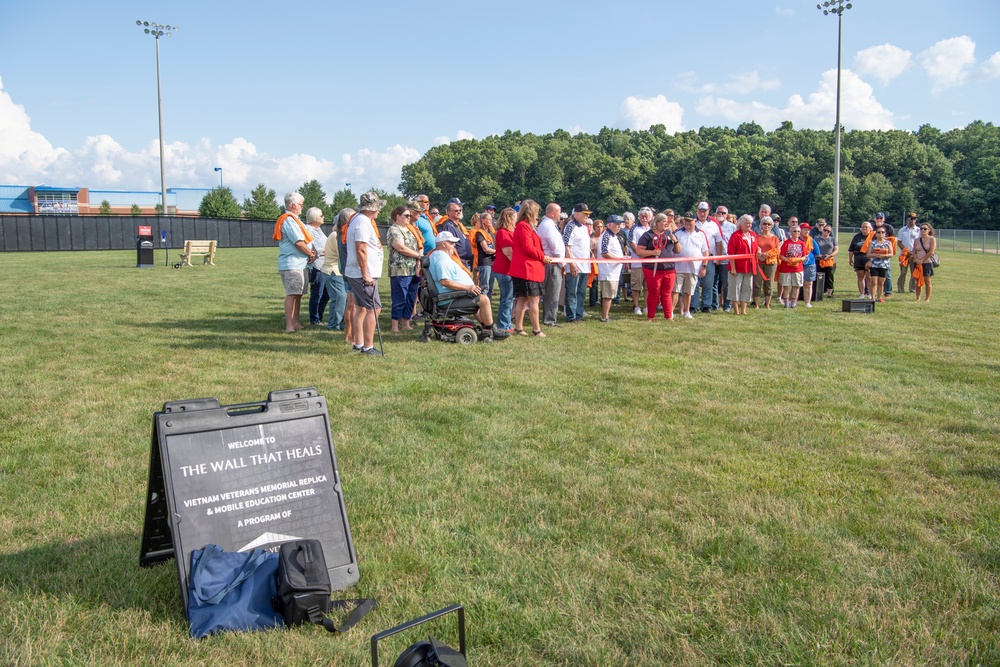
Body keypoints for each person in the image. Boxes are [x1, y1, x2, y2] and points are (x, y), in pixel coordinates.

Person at [427, 231, 506, 339]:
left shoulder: (436, 255)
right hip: (449, 299)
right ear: (444, 244)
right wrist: (468, 288)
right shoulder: (441, 259)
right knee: (484, 300)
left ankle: (486, 326)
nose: (454, 245)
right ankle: (490, 330)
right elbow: (445, 281)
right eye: (451, 243)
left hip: (451, 296)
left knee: (478, 298)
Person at [345, 192, 386, 355]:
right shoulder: (362, 222)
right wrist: (366, 275)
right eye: (377, 208)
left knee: (361, 307)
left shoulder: (359, 220)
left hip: (358, 272)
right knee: (374, 308)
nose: (379, 211)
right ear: (371, 208)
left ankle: (359, 343)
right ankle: (368, 346)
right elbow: (361, 249)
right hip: (362, 274)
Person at [272, 192, 317, 332]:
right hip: (292, 264)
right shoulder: (289, 221)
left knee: (298, 294)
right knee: (292, 294)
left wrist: (311, 252)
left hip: (300, 263)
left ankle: (296, 322)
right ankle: (289, 325)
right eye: (300, 205)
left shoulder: (295, 220)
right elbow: (298, 242)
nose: (302, 208)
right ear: (292, 205)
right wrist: (310, 253)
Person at [509, 200, 550, 336]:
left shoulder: (525, 226)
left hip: (525, 269)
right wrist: (542, 256)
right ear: (531, 212)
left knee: (523, 298)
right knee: (533, 299)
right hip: (527, 269)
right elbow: (528, 247)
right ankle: (536, 330)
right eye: (536, 212)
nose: (538, 215)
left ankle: (519, 328)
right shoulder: (524, 226)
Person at [635, 212, 681, 321]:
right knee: (654, 293)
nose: (666, 224)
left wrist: (676, 241)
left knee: (667, 293)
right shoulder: (647, 235)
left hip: (669, 269)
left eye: (667, 222)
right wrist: (652, 252)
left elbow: (678, 251)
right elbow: (639, 251)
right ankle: (650, 317)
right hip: (652, 269)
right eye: (664, 221)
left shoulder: (670, 234)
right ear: (657, 222)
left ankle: (669, 317)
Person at [386, 206, 421, 332]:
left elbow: (418, 244)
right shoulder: (394, 230)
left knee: (410, 297)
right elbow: (400, 247)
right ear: (397, 216)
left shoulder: (409, 229)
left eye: (409, 216)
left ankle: (406, 323)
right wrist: (418, 255)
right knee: (399, 298)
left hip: (413, 270)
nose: (409, 218)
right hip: (400, 270)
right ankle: (395, 326)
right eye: (406, 215)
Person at [320, 208, 352, 332]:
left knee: (342, 298)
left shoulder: (339, 234)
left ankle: (340, 323)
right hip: (333, 271)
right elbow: (343, 254)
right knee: (339, 298)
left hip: (337, 271)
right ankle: (334, 324)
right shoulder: (336, 235)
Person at [673, 213, 710, 319]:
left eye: (689, 221)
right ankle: (670, 311)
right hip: (678, 267)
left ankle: (686, 311)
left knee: (688, 292)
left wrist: (704, 266)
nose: (687, 223)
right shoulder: (677, 233)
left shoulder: (701, 234)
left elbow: (705, 252)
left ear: (695, 221)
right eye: (685, 221)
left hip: (694, 268)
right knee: (675, 290)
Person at [561, 204, 592, 323]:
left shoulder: (585, 228)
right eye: (585, 214)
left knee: (581, 292)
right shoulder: (570, 226)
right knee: (572, 292)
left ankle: (579, 314)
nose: (587, 216)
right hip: (574, 265)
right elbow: (567, 246)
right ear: (577, 214)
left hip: (585, 266)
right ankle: (571, 316)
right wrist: (572, 264)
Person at [536, 203, 565, 327]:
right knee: (552, 292)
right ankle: (550, 319)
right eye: (559, 212)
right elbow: (556, 248)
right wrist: (562, 262)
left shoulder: (547, 225)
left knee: (552, 292)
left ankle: (550, 317)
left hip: (552, 262)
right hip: (552, 263)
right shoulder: (548, 226)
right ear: (552, 213)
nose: (560, 215)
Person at [693, 202, 724, 313]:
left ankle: (706, 305)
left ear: (708, 211)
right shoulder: (693, 222)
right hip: (696, 258)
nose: (702, 213)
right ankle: (693, 305)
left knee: (708, 283)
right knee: (695, 283)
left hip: (710, 257)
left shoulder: (714, 224)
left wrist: (719, 257)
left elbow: (719, 242)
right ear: (697, 211)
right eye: (700, 210)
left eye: (704, 211)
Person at [727, 214, 759, 315]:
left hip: (749, 267)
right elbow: (731, 253)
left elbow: (756, 247)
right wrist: (733, 268)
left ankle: (743, 310)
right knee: (735, 288)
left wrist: (759, 251)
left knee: (747, 288)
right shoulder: (735, 235)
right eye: (747, 223)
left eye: (750, 223)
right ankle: (736, 310)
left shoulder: (753, 235)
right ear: (741, 224)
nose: (749, 225)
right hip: (737, 267)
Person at [492, 207, 517, 332]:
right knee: (506, 298)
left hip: (509, 269)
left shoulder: (511, 232)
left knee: (510, 298)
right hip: (504, 269)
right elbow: (508, 252)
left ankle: (507, 323)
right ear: (509, 218)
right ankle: (503, 325)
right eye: (514, 217)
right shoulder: (503, 232)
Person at [598, 215, 626, 321]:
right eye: (616, 224)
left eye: (620, 225)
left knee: (610, 294)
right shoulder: (606, 236)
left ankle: (606, 315)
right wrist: (618, 260)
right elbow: (604, 253)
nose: (618, 227)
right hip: (608, 271)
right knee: (608, 295)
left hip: (613, 271)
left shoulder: (614, 236)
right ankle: (604, 317)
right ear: (609, 225)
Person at [305, 207, 330, 324]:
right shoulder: (309, 229)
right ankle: (314, 319)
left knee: (326, 293)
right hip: (316, 265)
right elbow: (314, 249)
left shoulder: (319, 229)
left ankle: (319, 316)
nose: (323, 217)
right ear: (314, 217)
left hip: (324, 265)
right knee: (317, 292)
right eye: (321, 215)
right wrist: (330, 250)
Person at [629, 208, 653, 315]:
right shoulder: (634, 228)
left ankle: (646, 306)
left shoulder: (652, 228)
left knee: (648, 286)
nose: (644, 218)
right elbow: (632, 243)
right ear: (639, 217)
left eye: (646, 216)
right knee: (636, 286)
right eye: (642, 216)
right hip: (637, 263)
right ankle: (636, 306)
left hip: (649, 263)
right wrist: (640, 253)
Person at [752, 216, 780, 309]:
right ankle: (756, 304)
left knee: (769, 283)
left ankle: (767, 304)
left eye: (769, 224)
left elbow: (777, 250)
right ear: (761, 225)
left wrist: (766, 254)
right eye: (764, 223)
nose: (766, 226)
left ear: (772, 226)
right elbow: (754, 248)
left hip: (771, 263)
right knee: (757, 283)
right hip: (758, 262)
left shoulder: (775, 238)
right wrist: (761, 255)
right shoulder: (756, 237)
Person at [778, 225, 806, 308]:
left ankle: (793, 303)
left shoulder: (801, 243)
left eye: (798, 231)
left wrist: (798, 260)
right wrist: (790, 261)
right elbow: (781, 256)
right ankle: (786, 303)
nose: (796, 233)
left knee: (796, 286)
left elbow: (804, 256)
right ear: (790, 232)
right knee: (786, 286)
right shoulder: (786, 243)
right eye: (794, 231)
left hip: (798, 268)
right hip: (786, 268)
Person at [439, 199, 473, 268]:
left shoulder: (458, 225)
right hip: (458, 262)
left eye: (460, 210)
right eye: (456, 211)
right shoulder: (448, 226)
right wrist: (458, 259)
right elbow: (449, 245)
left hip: (466, 262)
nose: (459, 212)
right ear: (449, 212)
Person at [469, 212, 495, 297]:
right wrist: (497, 252)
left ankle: (488, 308)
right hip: (484, 262)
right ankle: (481, 308)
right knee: (484, 287)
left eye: (491, 219)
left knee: (490, 288)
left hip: (492, 261)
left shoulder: (490, 232)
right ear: (483, 220)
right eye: (488, 219)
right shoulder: (480, 233)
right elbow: (486, 249)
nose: (491, 221)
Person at [715, 205, 736, 312]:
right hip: (712, 258)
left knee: (726, 284)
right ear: (715, 213)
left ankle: (727, 306)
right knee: (712, 284)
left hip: (726, 259)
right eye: (719, 212)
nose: (721, 215)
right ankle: (713, 305)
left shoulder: (732, 227)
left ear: (727, 215)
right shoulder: (711, 225)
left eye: (723, 213)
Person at [866, 225, 893, 302]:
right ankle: (873, 297)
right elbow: (868, 254)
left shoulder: (888, 243)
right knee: (874, 281)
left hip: (884, 265)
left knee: (881, 282)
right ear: (876, 234)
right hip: (874, 264)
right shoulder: (872, 243)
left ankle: (879, 297)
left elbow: (891, 254)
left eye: (882, 232)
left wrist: (884, 255)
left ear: (885, 234)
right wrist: (876, 255)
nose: (880, 234)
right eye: (879, 232)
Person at [911, 222, 936, 302]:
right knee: (918, 280)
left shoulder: (932, 239)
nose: (923, 230)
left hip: (927, 262)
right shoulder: (917, 240)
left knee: (927, 280)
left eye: (925, 229)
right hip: (917, 262)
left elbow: (931, 251)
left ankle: (927, 298)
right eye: (921, 229)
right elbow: (914, 251)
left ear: (929, 230)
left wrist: (922, 260)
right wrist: (917, 259)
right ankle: (918, 298)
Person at [896, 212, 920, 293]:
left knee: (914, 272)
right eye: (910, 219)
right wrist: (906, 250)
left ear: (915, 220)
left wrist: (913, 252)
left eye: (913, 219)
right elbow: (899, 242)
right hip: (904, 254)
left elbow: (920, 243)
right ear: (907, 219)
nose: (912, 220)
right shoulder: (902, 230)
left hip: (915, 255)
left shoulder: (919, 230)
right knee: (903, 272)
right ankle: (900, 288)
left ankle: (912, 288)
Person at [849, 221, 874, 299]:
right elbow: (851, 249)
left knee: (869, 277)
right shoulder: (857, 237)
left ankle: (870, 293)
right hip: (858, 258)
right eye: (863, 227)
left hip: (869, 258)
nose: (864, 229)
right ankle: (862, 293)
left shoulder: (873, 236)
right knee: (860, 276)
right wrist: (850, 259)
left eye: (866, 227)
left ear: (870, 228)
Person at [797, 221, 819, 307]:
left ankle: (807, 302)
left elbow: (817, 252)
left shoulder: (812, 240)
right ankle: (793, 301)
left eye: (808, 230)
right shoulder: (796, 240)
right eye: (805, 229)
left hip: (810, 264)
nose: (807, 231)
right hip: (797, 264)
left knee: (808, 283)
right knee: (796, 284)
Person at [815, 222, 839, 298]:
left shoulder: (832, 239)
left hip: (829, 261)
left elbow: (836, 249)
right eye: (825, 230)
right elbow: (813, 249)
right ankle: (818, 292)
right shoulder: (816, 239)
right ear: (822, 230)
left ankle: (829, 294)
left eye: (829, 231)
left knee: (829, 277)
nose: (826, 232)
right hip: (819, 260)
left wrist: (830, 255)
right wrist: (819, 255)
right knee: (818, 277)